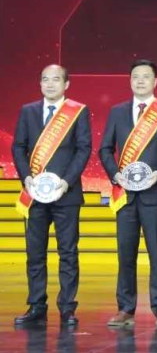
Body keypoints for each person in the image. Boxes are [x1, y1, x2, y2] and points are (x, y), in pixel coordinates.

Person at [99, 59, 157, 327]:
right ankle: (125, 308)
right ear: (130, 80)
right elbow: (105, 149)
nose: (140, 80)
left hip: (155, 193)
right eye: (135, 76)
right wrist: (115, 174)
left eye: (146, 76)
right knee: (125, 252)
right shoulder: (117, 112)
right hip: (125, 194)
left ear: (155, 81)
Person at [12, 64, 91, 326]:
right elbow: (19, 147)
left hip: (66, 195)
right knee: (35, 252)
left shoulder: (77, 111)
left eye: (55, 80)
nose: (49, 84)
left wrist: (66, 182)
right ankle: (36, 305)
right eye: (45, 79)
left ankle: (67, 308)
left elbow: (83, 149)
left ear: (66, 84)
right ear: (40, 84)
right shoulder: (28, 111)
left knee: (68, 252)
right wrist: (27, 178)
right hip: (34, 194)